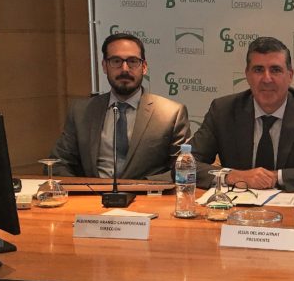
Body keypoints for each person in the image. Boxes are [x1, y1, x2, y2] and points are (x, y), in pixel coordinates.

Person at [190, 37, 294, 191]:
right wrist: (235, 176)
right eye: (258, 70)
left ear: (290, 75)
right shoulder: (223, 110)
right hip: (236, 203)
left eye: (275, 70)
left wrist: (276, 177)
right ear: (247, 75)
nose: (267, 79)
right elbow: (185, 164)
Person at [50, 32, 190, 180]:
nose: (124, 69)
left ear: (144, 67)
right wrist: (82, 188)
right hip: (93, 192)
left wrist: (143, 187)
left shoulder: (172, 113)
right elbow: (58, 163)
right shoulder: (81, 111)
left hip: (147, 193)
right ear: (105, 66)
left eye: (132, 61)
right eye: (116, 61)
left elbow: (183, 168)